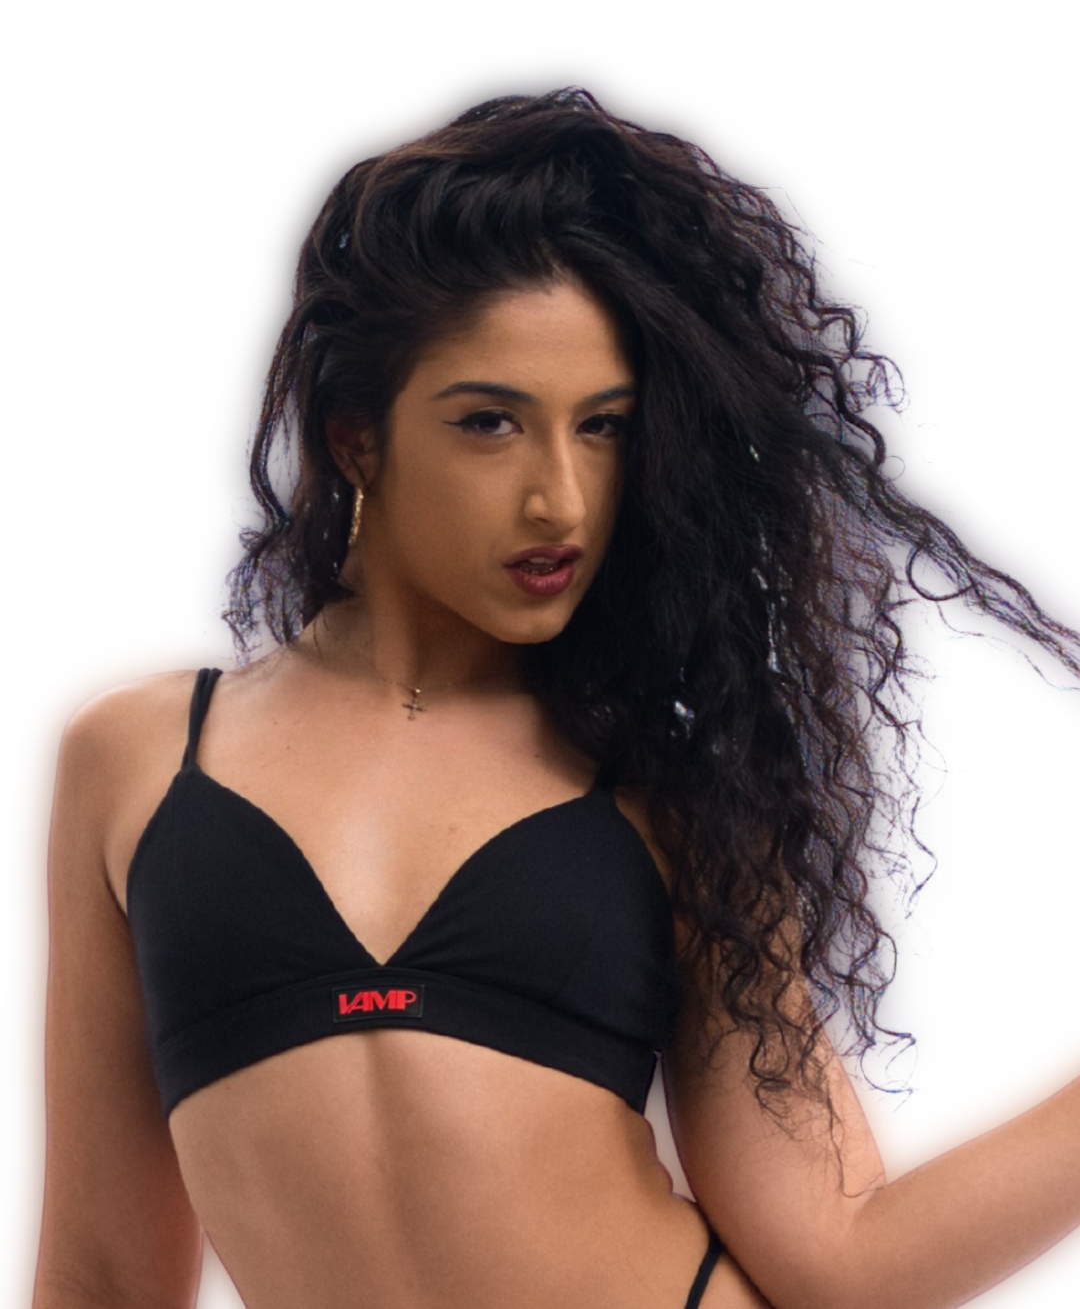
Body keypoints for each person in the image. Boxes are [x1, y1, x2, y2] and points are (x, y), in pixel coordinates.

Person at [32, 88, 1080, 1309]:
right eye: (491, 423)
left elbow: (840, 1257)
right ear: (357, 436)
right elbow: (101, 1278)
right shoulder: (141, 763)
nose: (561, 500)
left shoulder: (666, 789)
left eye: (604, 429)